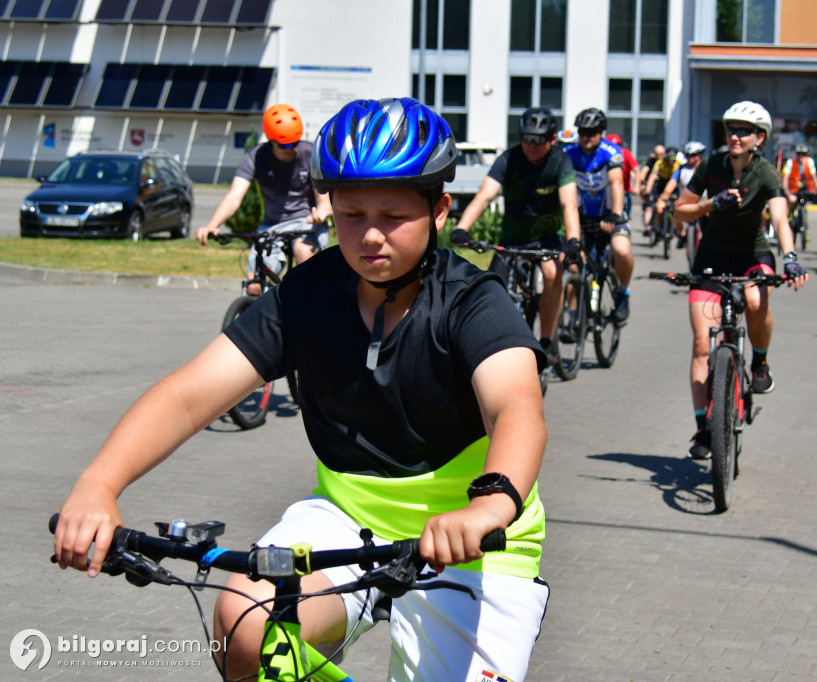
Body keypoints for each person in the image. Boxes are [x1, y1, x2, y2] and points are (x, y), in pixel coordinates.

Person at [53, 97, 550, 682]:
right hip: (348, 517)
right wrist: (97, 484)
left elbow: (516, 405)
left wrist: (491, 502)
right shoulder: (305, 295)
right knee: (247, 620)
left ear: (440, 209)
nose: (370, 235)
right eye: (351, 213)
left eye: (393, 216)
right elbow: (187, 397)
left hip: (473, 533)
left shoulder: (471, 299)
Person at [673, 100, 808, 460]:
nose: (735, 135)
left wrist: (790, 257)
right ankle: (704, 428)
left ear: (759, 138)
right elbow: (680, 211)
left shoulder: (766, 173)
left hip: (753, 255)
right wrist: (709, 205)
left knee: (754, 300)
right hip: (711, 259)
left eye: (744, 131)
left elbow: (780, 218)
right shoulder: (711, 166)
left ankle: (760, 361)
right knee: (703, 345)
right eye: (731, 128)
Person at [451, 107, 581, 366]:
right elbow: (484, 196)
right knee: (490, 286)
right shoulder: (509, 159)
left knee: (553, 274)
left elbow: (569, 205)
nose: (531, 145)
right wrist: (461, 228)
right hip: (512, 238)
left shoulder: (560, 162)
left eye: (539, 140)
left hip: (548, 236)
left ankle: (546, 340)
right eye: (526, 138)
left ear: (552, 139)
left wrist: (574, 239)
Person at [196, 104, 332, 294]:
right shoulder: (257, 157)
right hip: (273, 226)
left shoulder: (309, 154)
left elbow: (324, 199)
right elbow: (235, 196)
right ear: (270, 139)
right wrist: (213, 224)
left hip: (307, 223)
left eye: (294, 142)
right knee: (254, 285)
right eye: (283, 145)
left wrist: (322, 212)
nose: (290, 149)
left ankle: (311, 307)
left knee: (302, 252)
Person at [562, 107, 635, 322]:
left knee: (620, 250)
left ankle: (622, 292)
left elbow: (616, 183)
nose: (585, 137)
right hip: (582, 216)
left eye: (591, 132)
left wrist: (614, 214)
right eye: (582, 131)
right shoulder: (569, 153)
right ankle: (572, 318)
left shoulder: (611, 152)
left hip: (610, 213)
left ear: (601, 133)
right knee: (573, 264)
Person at [606, 133, 638, 218]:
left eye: (618, 145)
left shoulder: (626, 154)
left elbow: (636, 170)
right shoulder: (603, 154)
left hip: (624, 190)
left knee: (626, 216)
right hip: (606, 191)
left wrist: (637, 187)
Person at [782, 143, 817, 215]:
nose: (801, 156)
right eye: (799, 154)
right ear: (796, 154)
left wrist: (816, 188)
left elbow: (814, 176)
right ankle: (789, 215)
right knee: (793, 200)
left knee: (807, 202)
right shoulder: (790, 162)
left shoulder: (810, 162)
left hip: (806, 189)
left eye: (803, 154)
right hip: (793, 189)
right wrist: (786, 189)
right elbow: (786, 177)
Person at [639, 144, 666, 230]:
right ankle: (648, 226)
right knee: (649, 206)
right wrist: (643, 182)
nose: (660, 157)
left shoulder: (666, 162)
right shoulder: (651, 161)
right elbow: (645, 171)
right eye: (658, 154)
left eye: (662, 154)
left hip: (662, 186)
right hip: (650, 184)